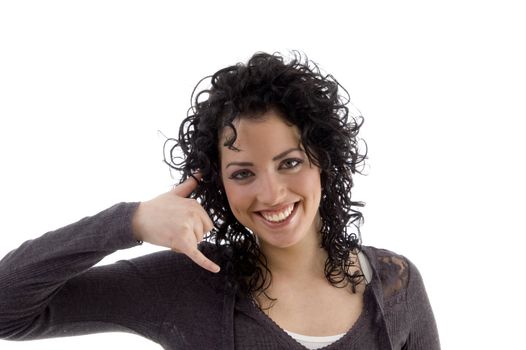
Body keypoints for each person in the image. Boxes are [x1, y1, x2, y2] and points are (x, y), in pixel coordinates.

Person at [0, 51, 440, 349]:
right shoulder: (187, 285)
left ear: (323, 160)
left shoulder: (394, 284)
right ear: (218, 183)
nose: (270, 194)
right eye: (243, 173)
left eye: (289, 163)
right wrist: (130, 222)